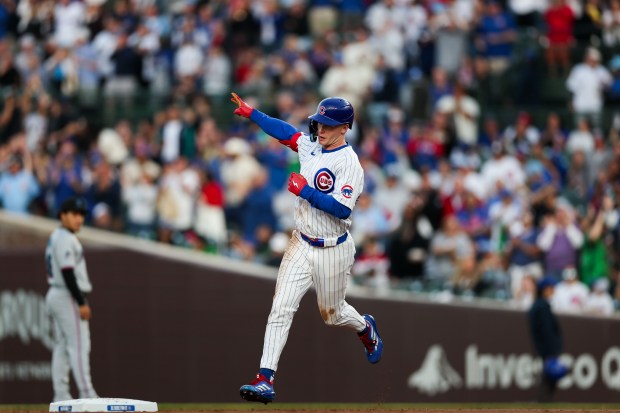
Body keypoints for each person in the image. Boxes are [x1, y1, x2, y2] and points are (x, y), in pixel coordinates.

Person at [231, 92, 383, 404]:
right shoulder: (313, 144)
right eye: (319, 122)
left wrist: (307, 191)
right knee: (280, 308)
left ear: (344, 128)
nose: (321, 129)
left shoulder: (350, 164)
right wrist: (253, 113)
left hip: (333, 247)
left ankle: (365, 327)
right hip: (301, 242)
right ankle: (265, 379)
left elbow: (343, 209)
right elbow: (286, 132)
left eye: (328, 125)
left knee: (334, 314)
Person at [44, 197, 99, 402]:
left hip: (56, 293)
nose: (79, 219)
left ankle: (60, 396)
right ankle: (87, 394)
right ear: (63, 215)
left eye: (82, 215)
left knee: (62, 346)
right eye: (75, 214)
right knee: (79, 345)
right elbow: (68, 272)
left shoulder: (55, 236)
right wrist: (81, 301)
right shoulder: (66, 238)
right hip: (67, 295)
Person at [527, 277, 569, 403]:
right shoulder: (541, 306)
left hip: (546, 348)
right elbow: (546, 330)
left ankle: (545, 401)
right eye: (550, 288)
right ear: (543, 290)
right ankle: (543, 401)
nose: (553, 290)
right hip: (548, 348)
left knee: (549, 377)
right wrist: (551, 350)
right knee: (549, 376)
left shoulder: (540, 305)